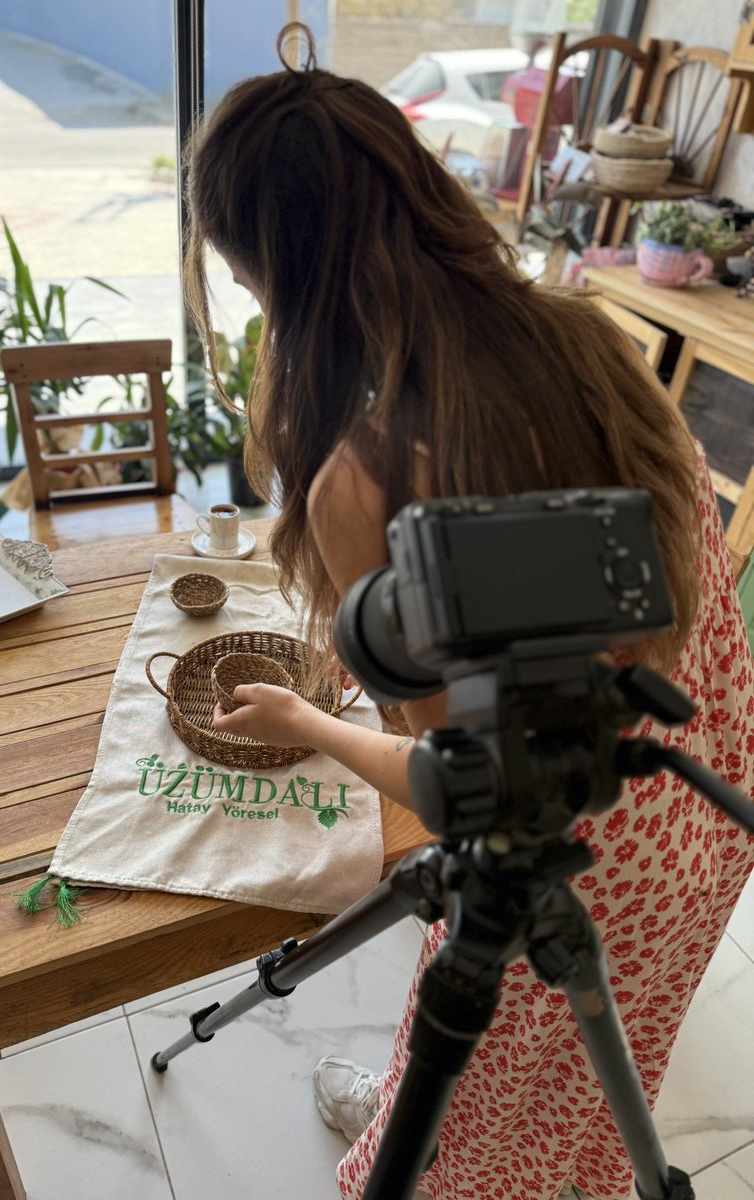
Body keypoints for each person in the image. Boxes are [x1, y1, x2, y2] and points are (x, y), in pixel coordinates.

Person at [183, 25, 754, 1200]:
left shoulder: (367, 475)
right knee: (596, 1076)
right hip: (698, 793)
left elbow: (465, 778)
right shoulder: (585, 332)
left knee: (484, 1097)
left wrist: (309, 726)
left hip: (578, 861)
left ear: (268, 272)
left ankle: (416, 1130)